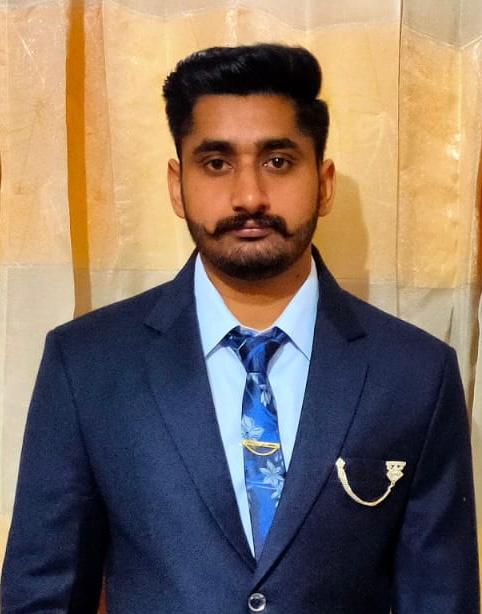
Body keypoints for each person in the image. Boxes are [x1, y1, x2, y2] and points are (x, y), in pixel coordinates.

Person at [1, 44, 479, 614]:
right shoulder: (87, 364)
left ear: (324, 182)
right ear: (177, 184)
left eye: (278, 161)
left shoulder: (416, 374)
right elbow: (41, 597)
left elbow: (441, 598)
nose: (249, 196)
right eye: (216, 163)